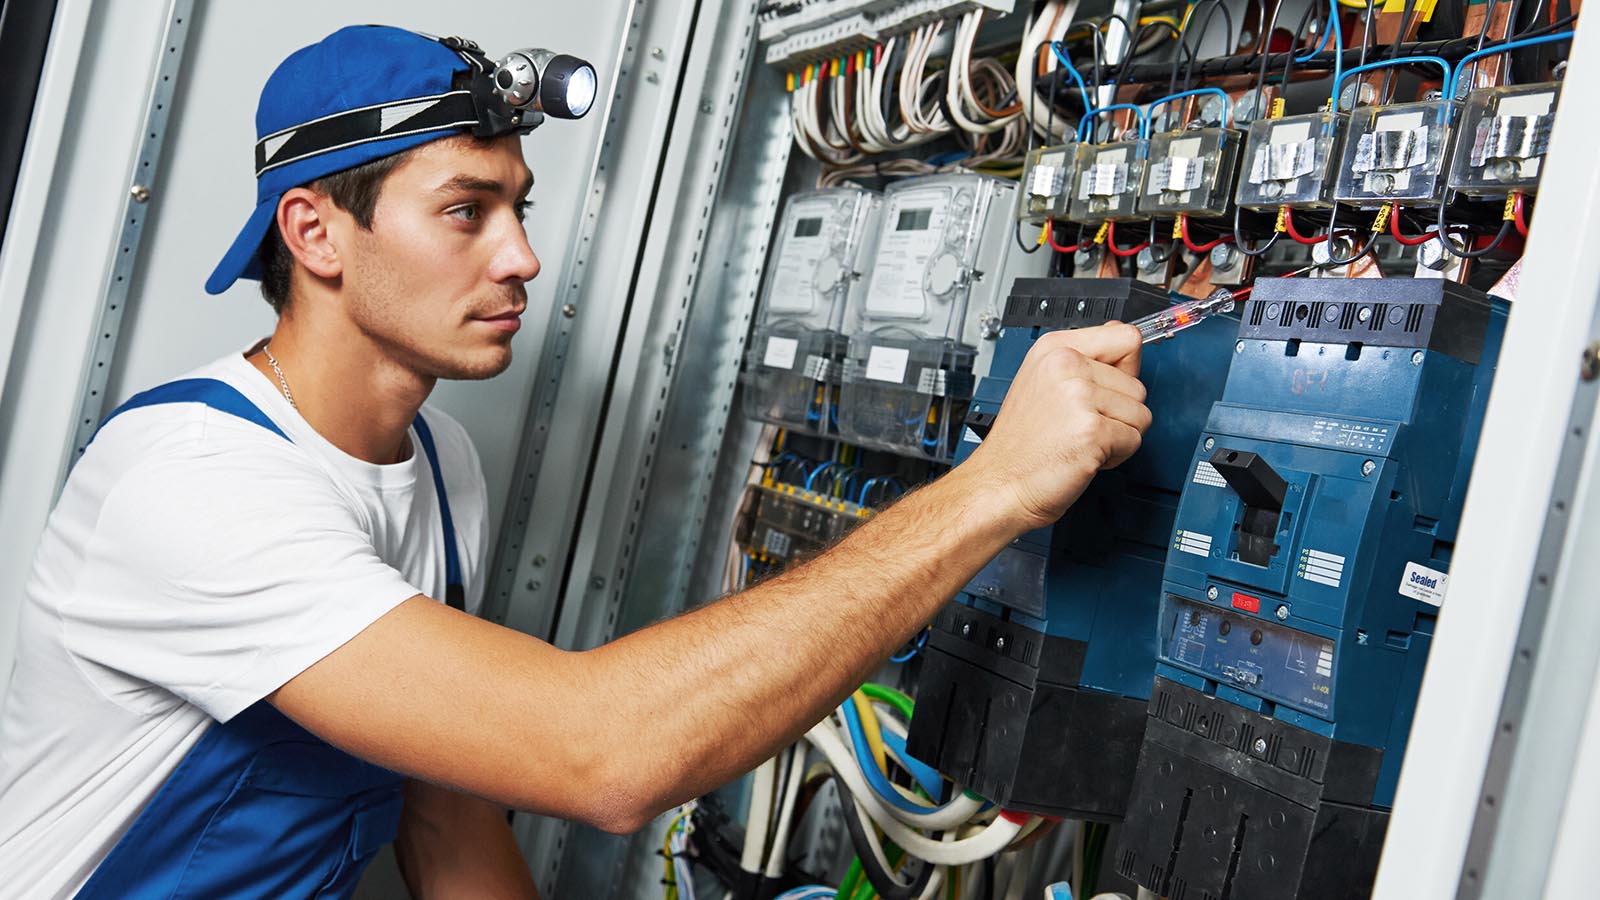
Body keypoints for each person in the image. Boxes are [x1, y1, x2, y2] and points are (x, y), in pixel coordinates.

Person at [0, 24, 1149, 900]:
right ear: (313, 234)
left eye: (520, 208)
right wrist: (993, 485)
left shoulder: (440, 467)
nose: (523, 258)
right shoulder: (189, 481)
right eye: (465, 212)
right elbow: (604, 754)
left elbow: (443, 816)